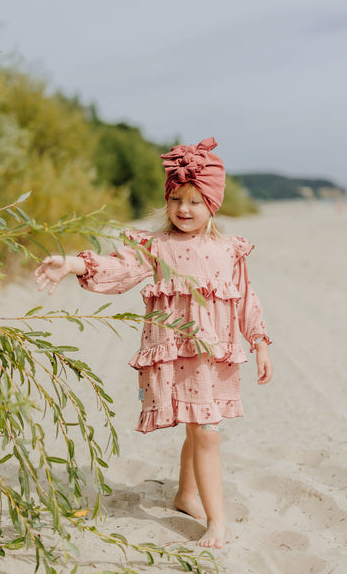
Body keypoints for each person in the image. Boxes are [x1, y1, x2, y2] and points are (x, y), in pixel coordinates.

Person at [34, 137, 273, 549]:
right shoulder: (156, 246)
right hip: (177, 353)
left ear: (213, 203)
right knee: (206, 432)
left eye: (195, 201)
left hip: (213, 355)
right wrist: (72, 263)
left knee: (201, 429)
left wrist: (260, 341)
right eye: (177, 199)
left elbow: (246, 298)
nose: (184, 209)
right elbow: (118, 268)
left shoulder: (228, 249)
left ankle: (185, 495)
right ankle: (217, 521)